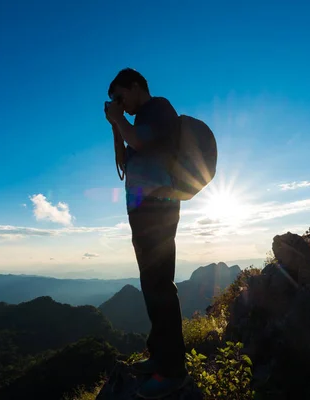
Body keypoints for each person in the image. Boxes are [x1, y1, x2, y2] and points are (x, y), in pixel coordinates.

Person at [104, 68, 190, 398]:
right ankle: (159, 356)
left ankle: (172, 370)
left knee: (160, 285)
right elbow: (124, 161)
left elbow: (138, 140)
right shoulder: (135, 123)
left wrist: (120, 121)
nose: (119, 103)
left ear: (136, 86)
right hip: (142, 209)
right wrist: (116, 125)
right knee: (151, 285)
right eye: (114, 100)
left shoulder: (159, 109)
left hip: (158, 206)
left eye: (120, 96)